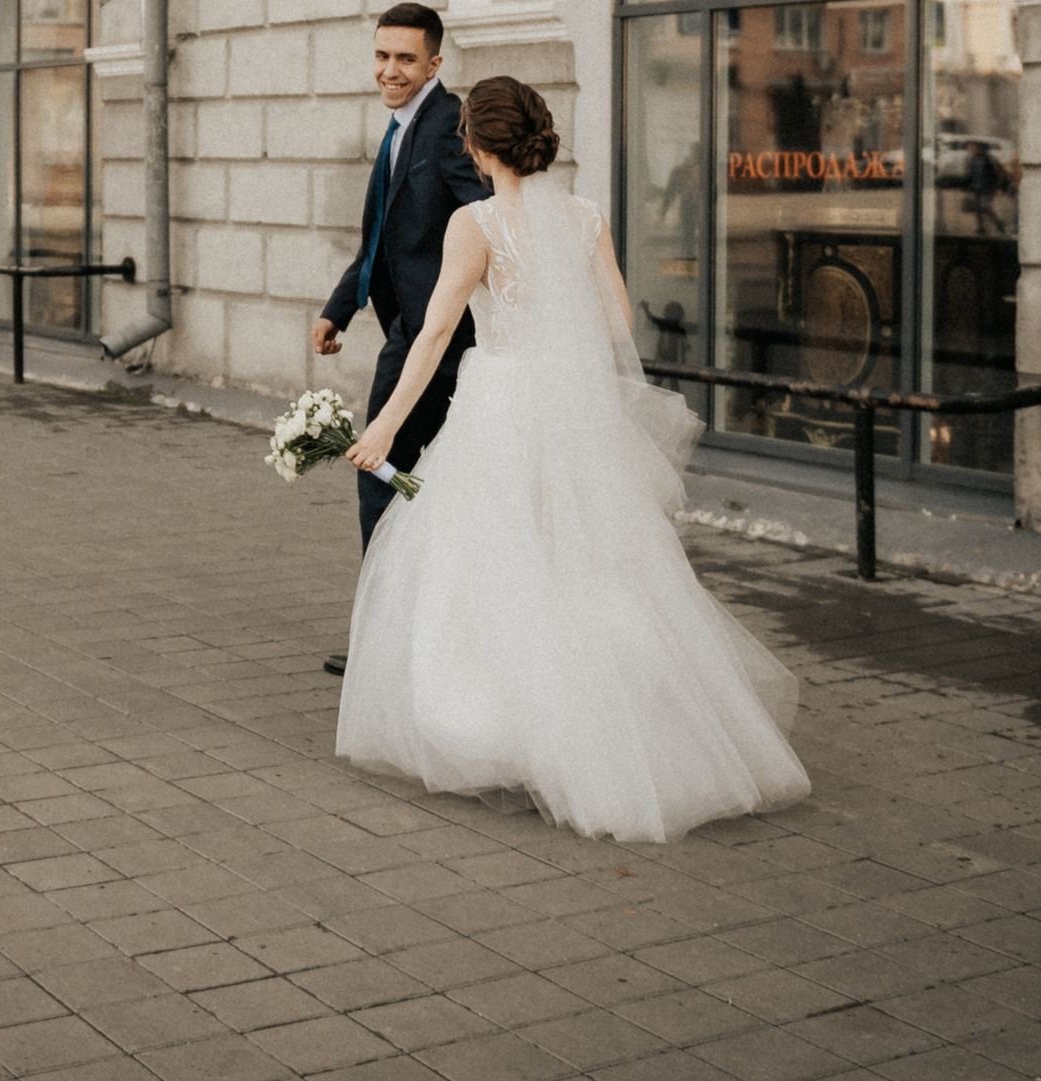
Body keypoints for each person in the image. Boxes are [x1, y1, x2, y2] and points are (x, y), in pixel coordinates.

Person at [338, 77, 811, 841]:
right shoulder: (585, 216)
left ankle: (502, 731)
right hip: (569, 406)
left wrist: (388, 426)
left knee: (492, 562)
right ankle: (616, 734)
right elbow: (617, 320)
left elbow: (432, 336)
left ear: (476, 143)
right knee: (588, 564)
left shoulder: (477, 222)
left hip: (499, 407)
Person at [313, 5, 490, 677]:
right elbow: (383, 235)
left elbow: (488, 215)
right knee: (419, 483)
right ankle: (422, 626)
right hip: (407, 330)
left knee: (382, 478)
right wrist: (341, 306)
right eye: (382, 55)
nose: (391, 69)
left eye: (406, 59)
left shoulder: (447, 126)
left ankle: (387, 641)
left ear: (435, 65)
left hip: (435, 341)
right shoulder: (402, 127)